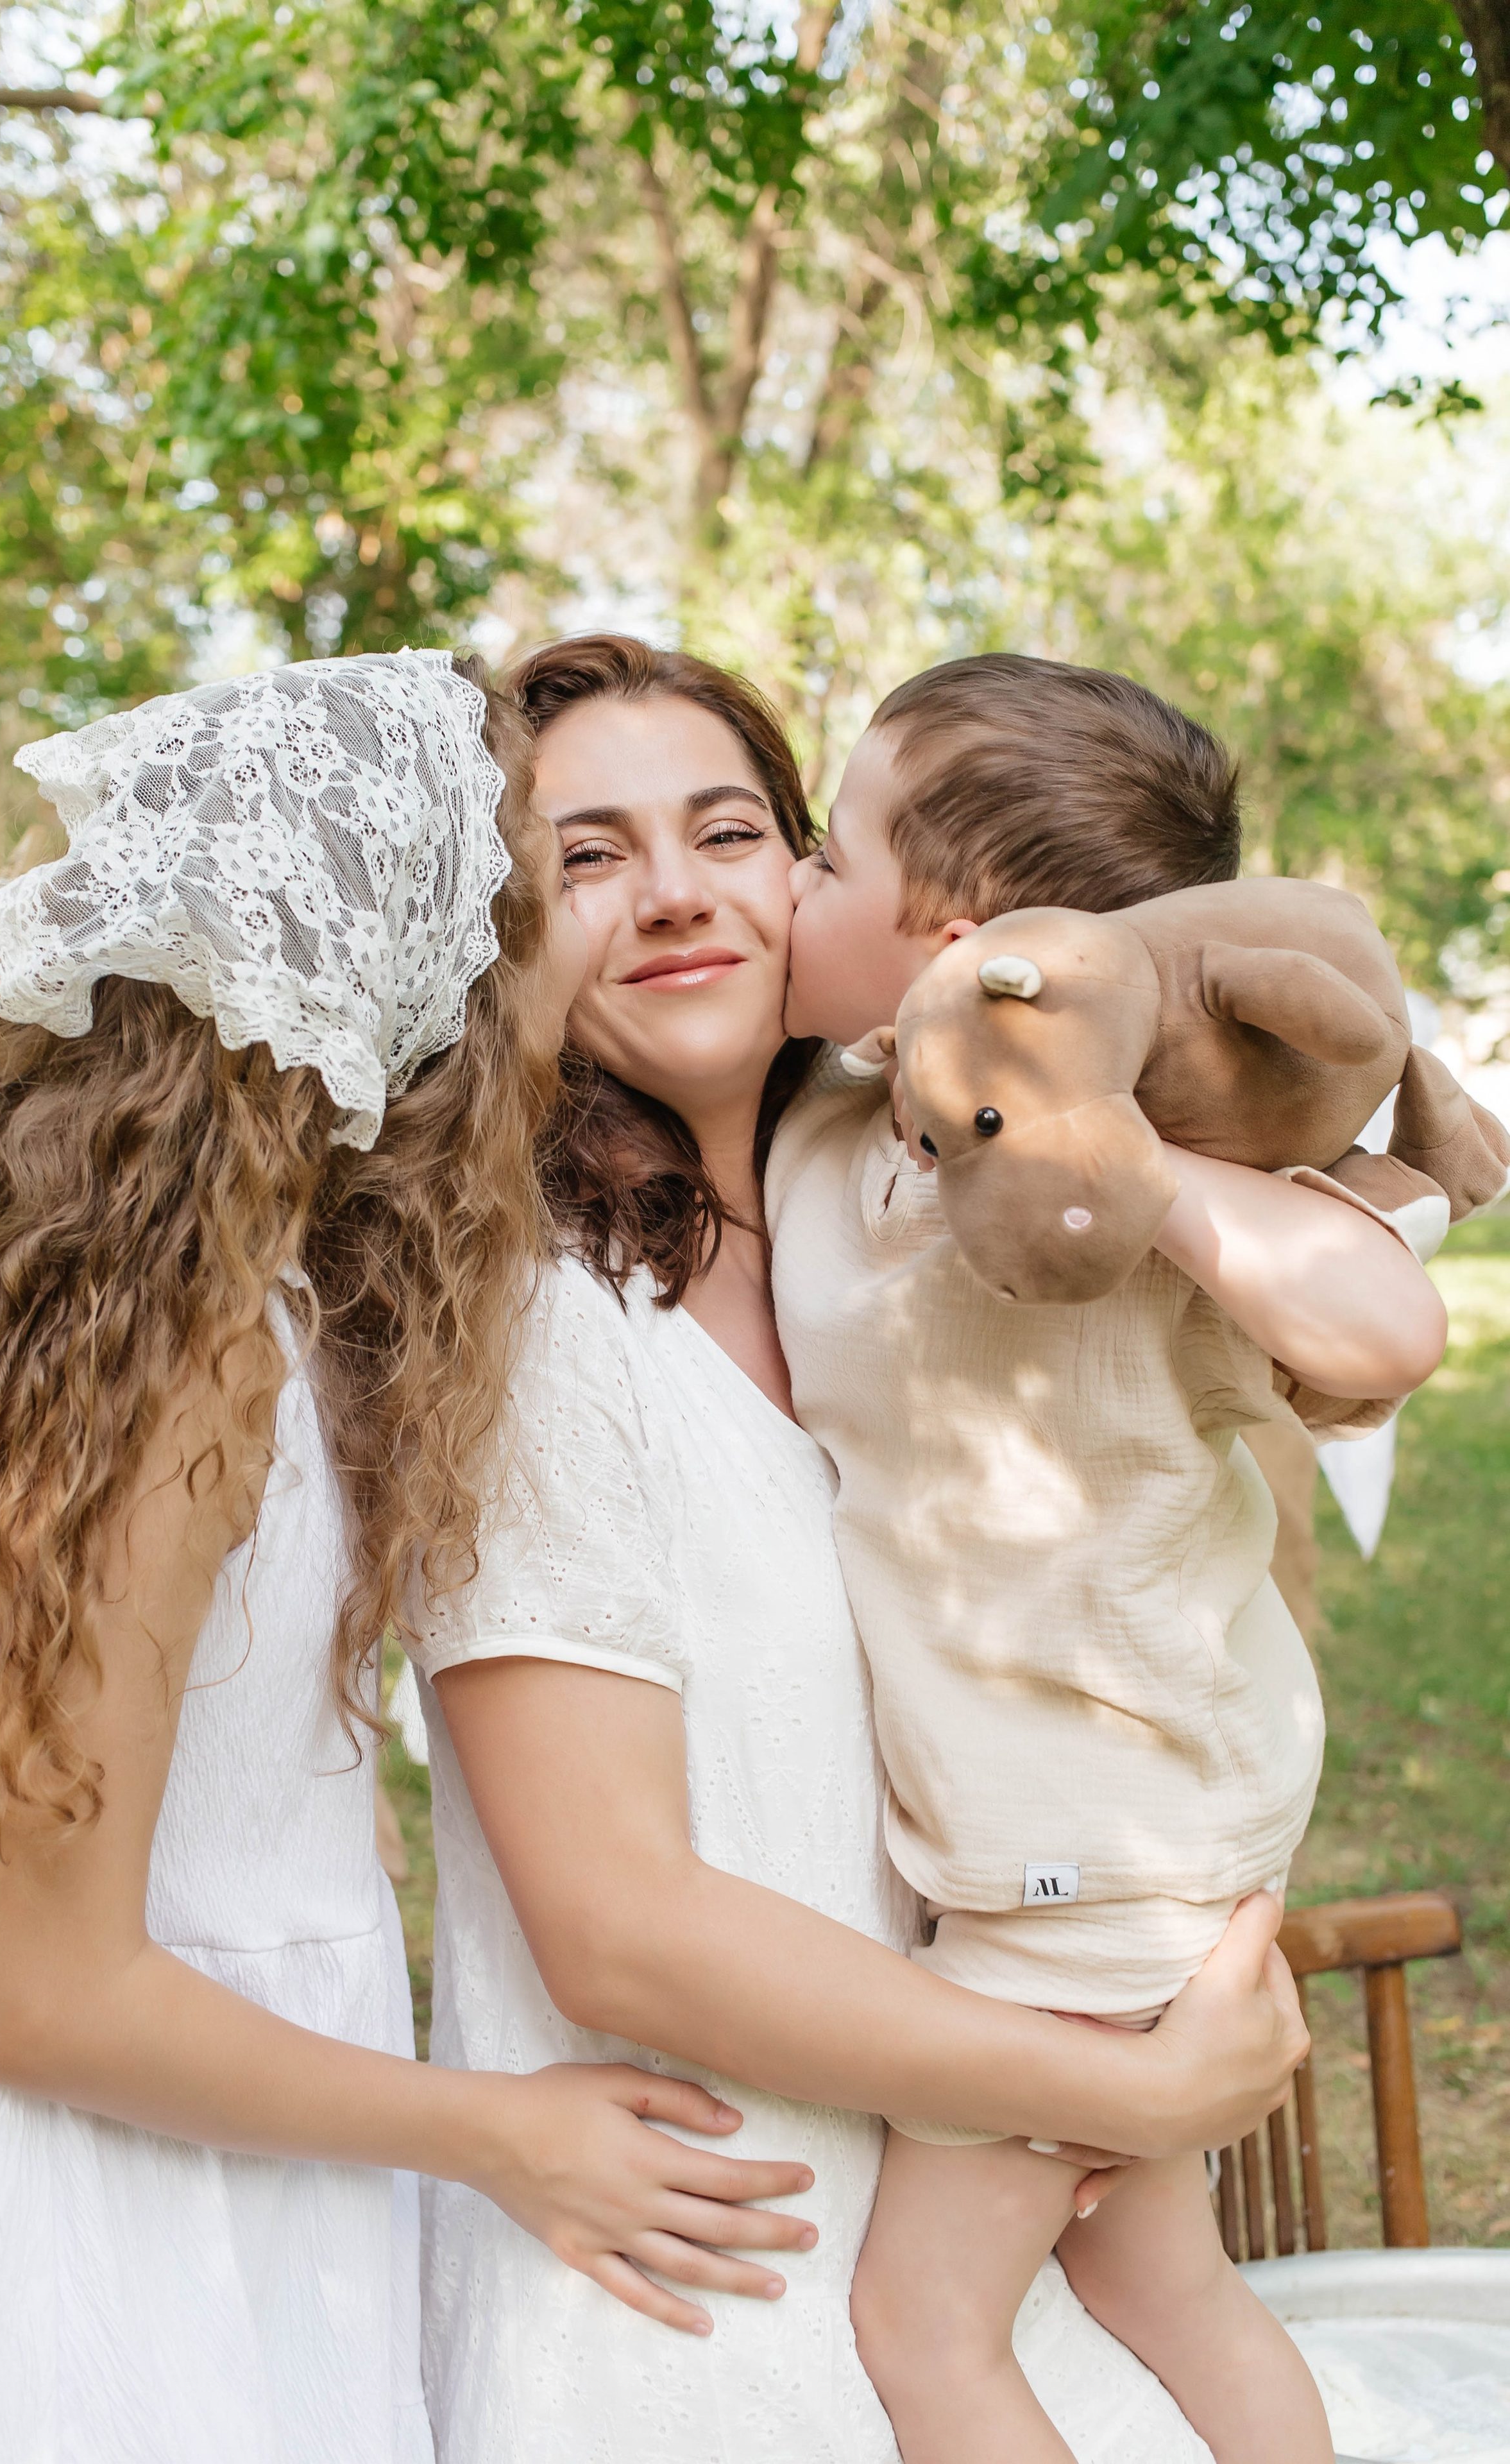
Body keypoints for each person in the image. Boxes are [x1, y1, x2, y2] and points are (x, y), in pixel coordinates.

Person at [0, 651, 820, 2464]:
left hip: (236, 2133)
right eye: (524, 907)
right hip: (126, 2218)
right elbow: (39, 1996)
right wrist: (502, 2133)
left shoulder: (226, 1311)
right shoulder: (189, 1353)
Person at [408, 633, 1323, 2464]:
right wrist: (1132, 2085)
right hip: (708, 2263)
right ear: (496, 928)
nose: (676, 895)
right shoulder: (527, 1319)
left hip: (1011, 2174)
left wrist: (1164, 1961)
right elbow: (621, 1936)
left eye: (729, 831)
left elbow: (1177, 1577)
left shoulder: (926, 1210)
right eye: (585, 857)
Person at [774, 652, 1450, 2464]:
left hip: (1100, 1871)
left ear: (965, 947)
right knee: (1168, 2286)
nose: (790, 884)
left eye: (826, 855)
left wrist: (1122, 1159)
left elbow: (1387, 1329)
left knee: (925, 2330)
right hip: (1064, 1861)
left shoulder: (1134, 1201)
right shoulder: (829, 1122)